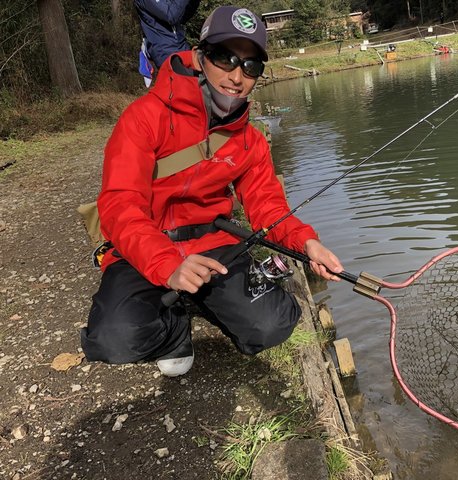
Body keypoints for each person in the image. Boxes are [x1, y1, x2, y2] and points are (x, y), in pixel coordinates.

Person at [80, 6, 343, 377]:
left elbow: (267, 206)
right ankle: (175, 329)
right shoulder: (143, 117)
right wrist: (168, 266)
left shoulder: (250, 139)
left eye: (251, 66)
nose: (236, 76)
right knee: (113, 339)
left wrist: (306, 243)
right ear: (201, 57)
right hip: (145, 246)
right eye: (226, 57)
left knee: (274, 324)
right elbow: (120, 206)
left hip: (212, 245)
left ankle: (201, 300)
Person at [134, 0, 201, 70]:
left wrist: (194, 2)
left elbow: (182, 17)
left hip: (183, 48)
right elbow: (171, 15)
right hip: (166, 54)